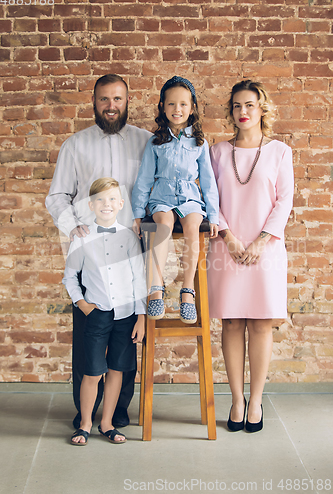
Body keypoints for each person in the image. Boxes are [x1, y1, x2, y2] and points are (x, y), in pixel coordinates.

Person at [45, 74, 152, 429]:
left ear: (127, 101)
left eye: (117, 99)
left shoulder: (146, 143)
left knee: (123, 344)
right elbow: (57, 195)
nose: (111, 106)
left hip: (130, 256)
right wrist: (72, 228)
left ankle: (118, 411)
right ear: (94, 102)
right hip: (90, 259)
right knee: (88, 339)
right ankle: (86, 413)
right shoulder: (75, 145)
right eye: (104, 99)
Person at [207, 80, 294, 432]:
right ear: (231, 111)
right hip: (226, 247)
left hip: (266, 250)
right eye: (237, 106)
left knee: (260, 323)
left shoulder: (279, 152)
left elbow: (284, 201)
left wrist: (260, 242)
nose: (243, 112)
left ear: (262, 109)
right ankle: (237, 399)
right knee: (231, 321)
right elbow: (210, 200)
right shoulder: (216, 152)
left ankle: (256, 400)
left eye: (250, 105)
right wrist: (228, 237)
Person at [63, 178, 146, 445]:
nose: (106, 204)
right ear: (91, 205)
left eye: (112, 199)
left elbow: (139, 279)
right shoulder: (83, 238)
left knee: (117, 370)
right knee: (93, 371)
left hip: (125, 315)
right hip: (97, 315)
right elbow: (70, 277)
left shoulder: (129, 237)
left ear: (121, 204)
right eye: (100, 200)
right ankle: (85, 423)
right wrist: (83, 304)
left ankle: (107, 423)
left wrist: (141, 317)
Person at [132, 76, 219, 324]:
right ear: (163, 106)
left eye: (183, 104)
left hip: (190, 199)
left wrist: (213, 215)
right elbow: (144, 179)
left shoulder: (199, 142)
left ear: (192, 108)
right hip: (162, 197)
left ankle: (187, 290)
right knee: (163, 225)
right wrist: (138, 214)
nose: (177, 109)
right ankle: (157, 287)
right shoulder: (155, 142)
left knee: (192, 227)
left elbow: (209, 180)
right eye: (171, 104)